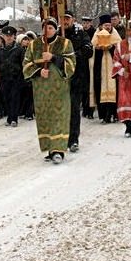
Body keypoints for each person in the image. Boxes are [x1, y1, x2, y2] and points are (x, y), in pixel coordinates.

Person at [23, 18, 76, 164]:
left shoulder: (64, 43)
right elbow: (26, 64)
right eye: (45, 28)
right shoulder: (34, 45)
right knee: (45, 118)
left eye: (51, 28)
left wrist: (53, 58)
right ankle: (50, 149)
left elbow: (71, 65)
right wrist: (39, 71)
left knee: (59, 117)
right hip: (41, 90)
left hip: (60, 90)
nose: (48, 30)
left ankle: (58, 150)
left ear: (55, 29)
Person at [62, 11, 93, 151]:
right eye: (63, 19)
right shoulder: (57, 34)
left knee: (74, 109)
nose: (65, 21)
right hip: (60, 80)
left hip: (76, 78)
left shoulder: (80, 34)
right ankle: (60, 139)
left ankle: (73, 139)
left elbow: (89, 50)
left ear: (73, 19)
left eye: (67, 19)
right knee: (61, 111)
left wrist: (73, 56)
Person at [91, 14, 121, 123]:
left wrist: (111, 47)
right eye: (105, 25)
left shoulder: (115, 34)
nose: (107, 27)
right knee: (100, 89)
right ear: (101, 25)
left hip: (113, 69)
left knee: (115, 91)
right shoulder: (97, 34)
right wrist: (98, 48)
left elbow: (120, 49)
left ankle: (114, 114)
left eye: (109, 25)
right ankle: (104, 116)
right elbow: (92, 48)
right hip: (100, 68)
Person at [0, 26, 25, 127]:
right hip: (4, 78)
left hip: (16, 78)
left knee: (14, 98)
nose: (9, 38)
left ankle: (14, 118)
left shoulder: (19, 49)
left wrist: (23, 76)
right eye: (7, 36)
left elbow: (23, 63)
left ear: (14, 36)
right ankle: (9, 117)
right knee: (6, 98)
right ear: (3, 37)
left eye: (11, 36)